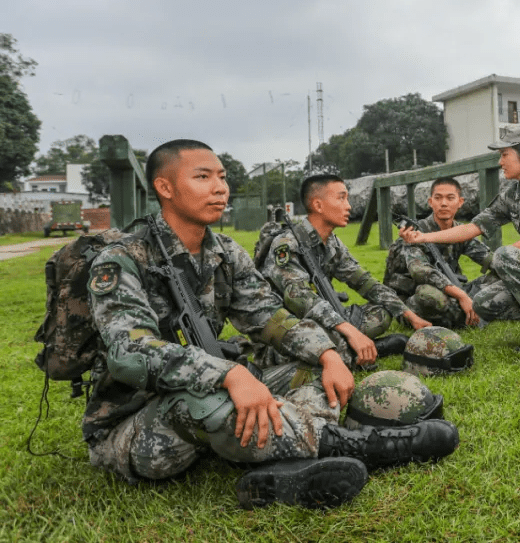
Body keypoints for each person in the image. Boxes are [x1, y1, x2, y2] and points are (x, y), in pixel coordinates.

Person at [86, 141, 457, 509]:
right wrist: (229, 375)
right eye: (203, 177)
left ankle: (283, 471)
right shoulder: (122, 259)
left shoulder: (224, 252)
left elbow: (269, 315)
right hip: (135, 427)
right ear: (164, 188)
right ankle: (356, 444)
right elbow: (128, 354)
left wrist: (327, 354)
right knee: (202, 398)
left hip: (210, 393)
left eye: (222, 177)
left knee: (310, 366)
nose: (220, 188)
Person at [400, 126, 520, 354]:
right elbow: (474, 227)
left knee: (504, 255)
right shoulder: (512, 193)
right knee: (483, 302)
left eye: (504, 155)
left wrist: (503, 265)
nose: (500, 161)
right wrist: (423, 237)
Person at [259, 174, 430, 369]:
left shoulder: (332, 243)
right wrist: (348, 329)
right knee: (322, 340)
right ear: (318, 205)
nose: (348, 206)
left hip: (322, 317)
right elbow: (298, 297)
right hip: (288, 327)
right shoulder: (286, 244)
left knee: (382, 313)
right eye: (341, 198)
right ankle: (363, 350)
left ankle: (350, 348)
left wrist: (409, 314)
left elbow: (365, 282)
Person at [383, 177, 491, 328]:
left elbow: (489, 259)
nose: (444, 203)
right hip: (413, 299)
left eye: (450, 198)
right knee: (428, 294)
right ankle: (468, 314)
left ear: (460, 202)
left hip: (451, 290)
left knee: (499, 277)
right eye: (438, 198)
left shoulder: (459, 231)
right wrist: (462, 296)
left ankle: (465, 313)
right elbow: (420, 271)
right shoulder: (414, 233)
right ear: (430, 202)